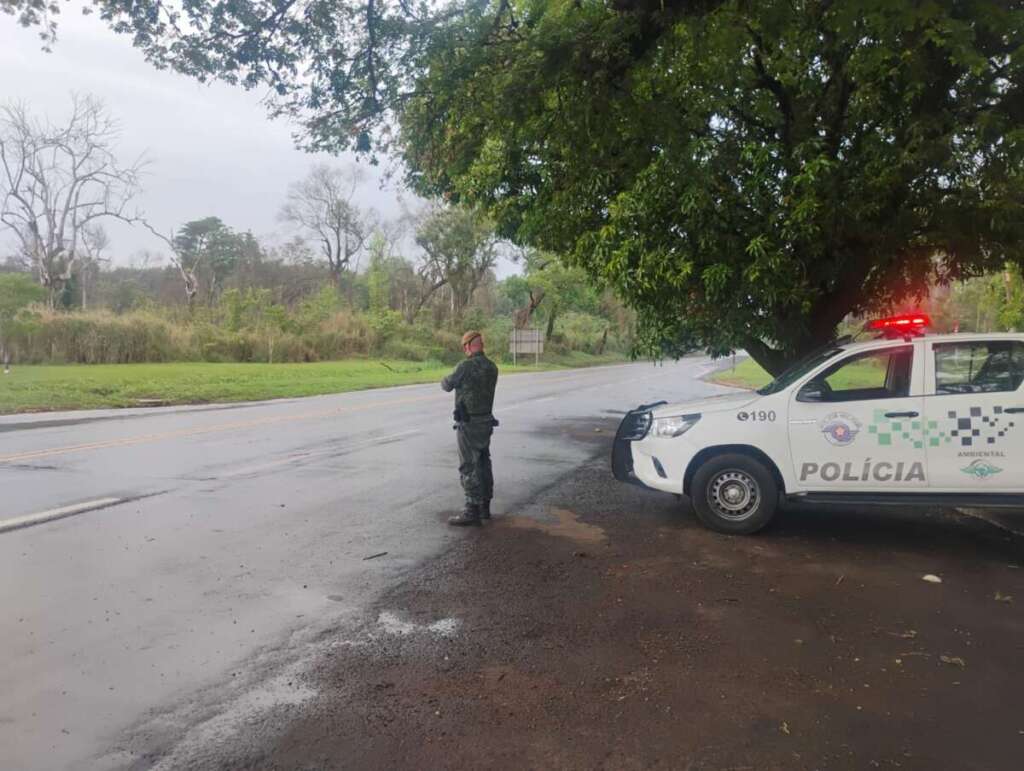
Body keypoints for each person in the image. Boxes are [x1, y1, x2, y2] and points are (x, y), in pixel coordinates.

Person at [441, 330, 499, 526]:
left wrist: (444, 378)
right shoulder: (492, 367)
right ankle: (485, 507)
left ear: (467, 347)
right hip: (486, 422)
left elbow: (447, 385)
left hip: (468, 424)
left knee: (468, 466)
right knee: (484, 463)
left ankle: (471, 509)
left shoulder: (465, 366)